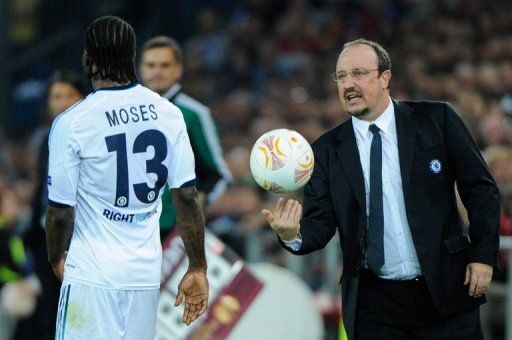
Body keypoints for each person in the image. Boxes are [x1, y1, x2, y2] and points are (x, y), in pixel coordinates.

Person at [262, 38, 500, 339]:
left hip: (446, 289)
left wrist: (482, 256)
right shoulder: (324, 151)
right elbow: (320, 225)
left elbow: (481, 189)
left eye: (359, 73)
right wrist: (291, 235)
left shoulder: (437, 119)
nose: (348, 84)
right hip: (375, 305)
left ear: (385, 77)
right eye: (341, 76)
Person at [45, 16, 208, 339]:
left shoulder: (73, 122)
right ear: (132, 57)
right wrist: (198, 266)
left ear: (87, 59)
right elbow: (187, 196)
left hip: (91, 276)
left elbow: (60, 212)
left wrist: (55, 258)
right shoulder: (168, 113)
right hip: (144, 276)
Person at [139, 36, 232, 241]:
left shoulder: (194, 114)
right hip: (132, 230)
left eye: (164, 65)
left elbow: (217, 174)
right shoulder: (127, 114)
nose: (157, 72)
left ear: (178, 70)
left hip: (176, 233)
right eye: (151, 65)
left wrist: (198, 206)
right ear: (141, 69)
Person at [23, 70, 86, 340]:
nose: (62, 102)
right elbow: (42, 190)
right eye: (56, 96)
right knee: (50, 313)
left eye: (69, 95)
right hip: (47, 239)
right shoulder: (46, 139)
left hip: (79, 242)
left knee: (78, 315)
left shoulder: (92, 138)